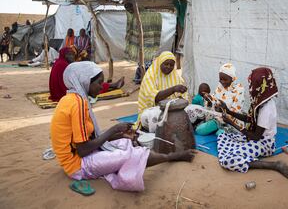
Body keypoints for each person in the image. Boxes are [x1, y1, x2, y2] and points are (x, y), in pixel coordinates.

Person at [50, 61, 195, 192]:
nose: (101, 87)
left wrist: (120, 134)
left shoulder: (73, 99)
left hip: (79, 155)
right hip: (77, 165)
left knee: (125, 142)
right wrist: (114, 129)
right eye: (99, 83)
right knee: (129, 154)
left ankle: (137, 159)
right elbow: (82, 150)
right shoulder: (77, 103)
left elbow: (90, 137)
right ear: (86, 82)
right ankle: (171, 156)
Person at [215, 67, 288, 180]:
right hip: (253, 137)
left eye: (252, 84)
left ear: (259, 85)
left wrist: (232, 123)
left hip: (264, 143)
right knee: (223, 135)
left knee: (228, 161)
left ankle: (274, 165)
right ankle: (240, 152)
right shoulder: (260, 101)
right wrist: (228, 111)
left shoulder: (266, 109)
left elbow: (256, 137)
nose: (250, 87)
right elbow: (249, 119)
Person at [185, 63, 245, 134]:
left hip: (232, 123)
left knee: (220, 134)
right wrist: (209, 100)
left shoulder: (239, 89)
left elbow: (236, 111)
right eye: (220, 79)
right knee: (199, 130)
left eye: (225, 79)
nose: (222, 82)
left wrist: (224, 111)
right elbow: (213, 102)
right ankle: (218, 128)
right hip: (218, 119)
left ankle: (224, 130)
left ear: (233, 78)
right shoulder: (220, 87)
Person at [136, 51, 188, 130]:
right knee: (154, 118)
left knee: (189, 112)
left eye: (171, 65)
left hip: (170, 109)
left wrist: (181, 97)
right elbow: (155, 98)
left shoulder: (175, 76)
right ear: (160, 63)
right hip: (152, 110)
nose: (168, 67)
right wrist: (173, 89)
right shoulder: (150, 77)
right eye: (166, 64)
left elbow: (183, 97)